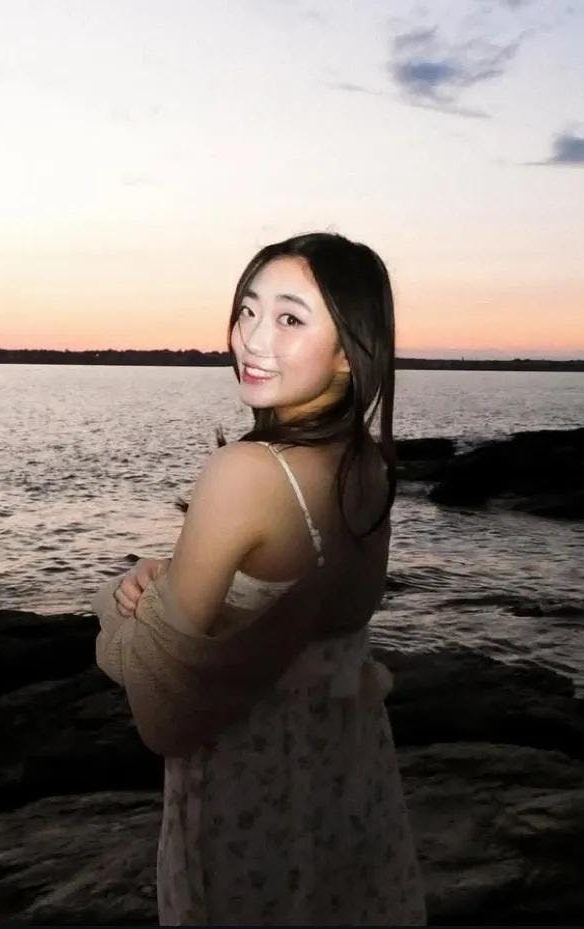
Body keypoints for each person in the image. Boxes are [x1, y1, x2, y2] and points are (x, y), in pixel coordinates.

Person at [107, 231, 428, 925]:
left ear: (349, 351)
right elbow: (308, 610)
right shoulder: (367, 464)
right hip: (350, 781)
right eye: (247, 309)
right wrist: (188, 581)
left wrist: (123, 603)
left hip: (252, 805)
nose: (252, 338)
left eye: (289, 318)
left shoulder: (247, 474)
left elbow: (162, 712)